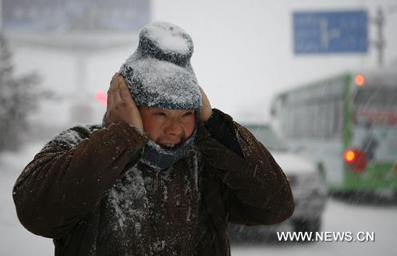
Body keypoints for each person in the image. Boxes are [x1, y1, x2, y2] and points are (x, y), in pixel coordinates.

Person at [13, 21, 294, 256]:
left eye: (186, 114)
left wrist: (215, 127)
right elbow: (37, 213)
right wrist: (122, 139)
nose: (175, 129)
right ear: (130, 106)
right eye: (160, 113)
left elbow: (275, 205)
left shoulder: (205, 161)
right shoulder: (77, 146)